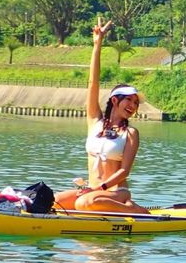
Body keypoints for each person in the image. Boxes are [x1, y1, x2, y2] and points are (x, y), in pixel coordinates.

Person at [54, 16, 149, 214]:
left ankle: (135, 210)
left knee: (84, 203)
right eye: (129, 100)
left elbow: (124, 171)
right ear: (114, 100)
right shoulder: (95, 121)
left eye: (136, 103)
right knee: (55, 201)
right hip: (91, 190)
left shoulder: (131, 133)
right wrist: (97, 44)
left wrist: (99, 188)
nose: (133, 106)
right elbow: (93, 83)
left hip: (115, 192)